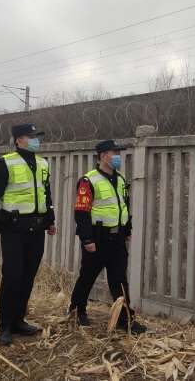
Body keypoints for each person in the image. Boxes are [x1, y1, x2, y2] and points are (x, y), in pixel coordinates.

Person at [0, 123, 57, 345]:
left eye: (36, 136)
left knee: (28, 276)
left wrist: (50, 221)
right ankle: (3, 323)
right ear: (18, 140)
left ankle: (18, 320)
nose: (35, 139)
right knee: (13, 275)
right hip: (14, 227)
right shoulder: (7, 162)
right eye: (30, 136)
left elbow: (46, 195)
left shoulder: (43, 163)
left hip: (37, 228)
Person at [69, 139, 147, 334]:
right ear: (103, 156)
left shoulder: (120, 179)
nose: (118, 157)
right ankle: (77, 311)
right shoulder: (89, 180)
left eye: (118, 153)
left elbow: (123, 207)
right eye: (114, 153)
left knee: (119, 280)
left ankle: (124, 318)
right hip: (97, 239)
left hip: (117, 239)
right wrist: (87, 240)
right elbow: (82, 213)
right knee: (87, 277)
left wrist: (127, 230)